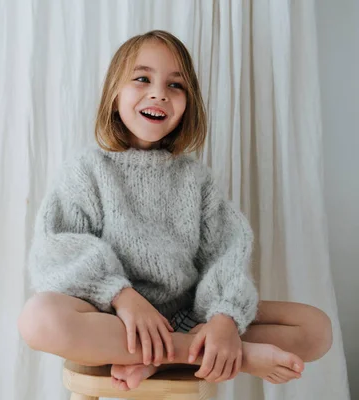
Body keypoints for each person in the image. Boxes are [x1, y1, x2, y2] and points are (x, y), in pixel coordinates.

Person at [18, 29, 332, 391]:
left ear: (189, 103)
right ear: (114, 93)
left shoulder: (195, 180)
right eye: (142, 79)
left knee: (315, 329)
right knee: (38, 319)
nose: (158, 93)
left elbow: (227, 253)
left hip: (186, 315)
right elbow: (55, 250)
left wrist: (224, 319)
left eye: (175, 85)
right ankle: (214, 355)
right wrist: (123, 297)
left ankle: (180, 350)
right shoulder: (88, 171)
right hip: (116, 323)